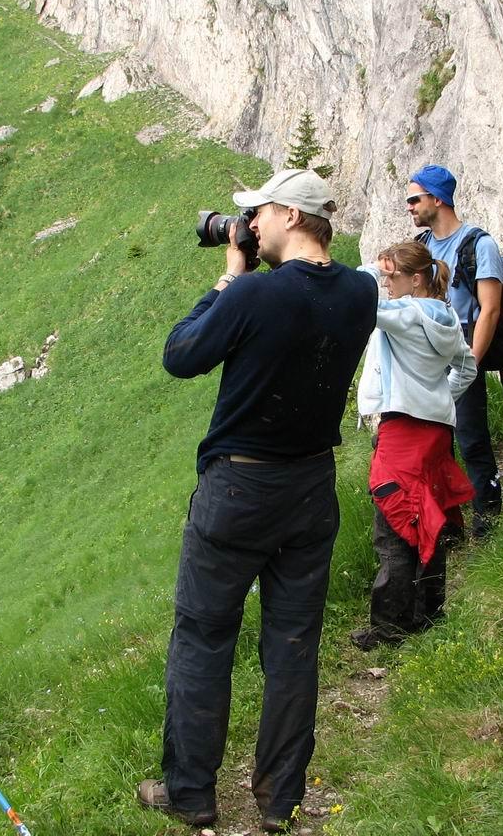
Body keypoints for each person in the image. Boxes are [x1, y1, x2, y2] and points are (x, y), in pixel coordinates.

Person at [137, 169, 376, 833]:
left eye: (259, 214)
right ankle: (280, 799)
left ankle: (189, 792)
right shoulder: (361, 291)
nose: (251, 226)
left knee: (204, 638)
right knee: (293, 644)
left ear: (291, 216)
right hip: (310, 487)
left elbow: (180, 356)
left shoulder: (255, 295)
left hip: (239, 489)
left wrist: (230, 276)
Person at [350, 241, 476, 650]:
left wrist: (368, 270)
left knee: (394, 526)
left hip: (403, 430)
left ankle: (390, 627)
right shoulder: (445, 315)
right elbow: (466, 366)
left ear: (416, 279)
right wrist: (439, 395)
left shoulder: (407, 313)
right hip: (435, 429)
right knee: (429, 517)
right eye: (384, 277)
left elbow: (361, 305)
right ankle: (429, 612)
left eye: (393, 276)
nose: (386, 283)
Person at [408, 164, 503, 538]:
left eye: (415, 198)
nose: (410, 207)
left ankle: (489, 519)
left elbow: (490, 309)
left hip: (464, 345)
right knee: (435, 441)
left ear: (437, 198)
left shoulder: (480, 244)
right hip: (431, 347)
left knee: (470, 436)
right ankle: (448, 525)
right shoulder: (422, 248)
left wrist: (470, 365)